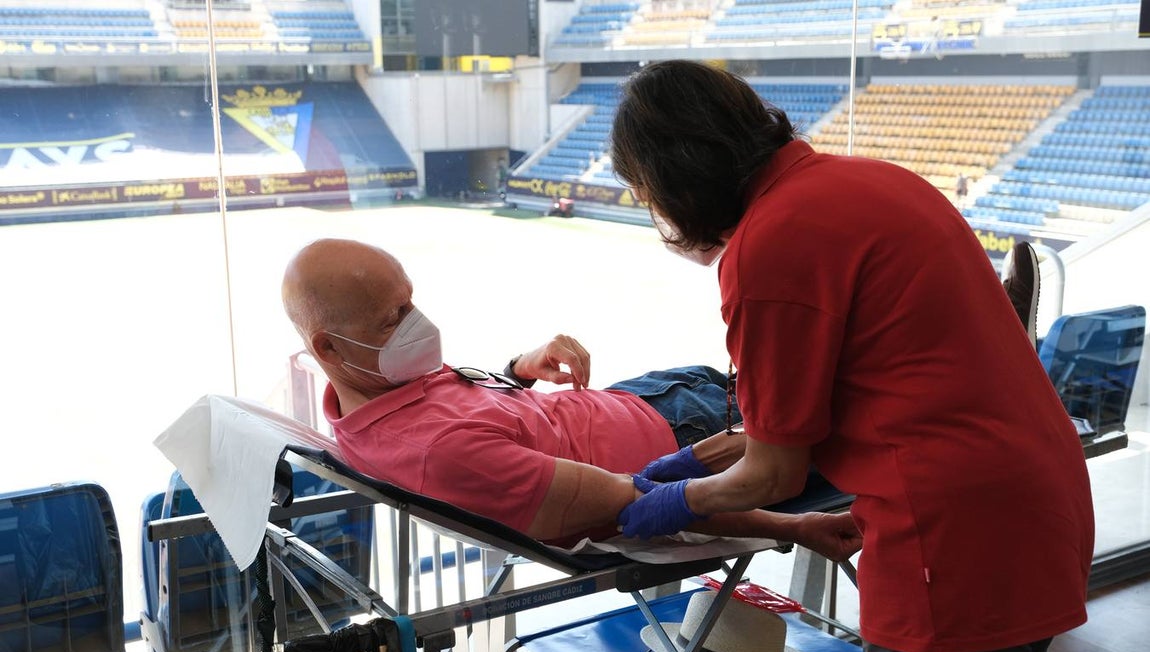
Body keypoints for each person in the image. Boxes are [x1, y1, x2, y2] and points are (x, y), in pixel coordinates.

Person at [608, 60, 1093, 652]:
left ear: (675, 177)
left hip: (956, 546)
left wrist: (669, 502)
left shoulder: (771, 244)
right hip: (1038, 514)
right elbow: (860, 394)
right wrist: (702, 464)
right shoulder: (870, 181)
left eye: (643, 192)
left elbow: (772, 469)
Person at [280, 237, 861, 556]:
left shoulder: (372, 387)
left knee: (830, 369)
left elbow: (471, 413)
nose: (419, 324)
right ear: (329, 349)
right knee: (866, 404)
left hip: (648, 396)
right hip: (691, 437)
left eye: (411, 302)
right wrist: (792, 528)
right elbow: (650, 499)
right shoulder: (439, 455)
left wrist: (517, 370)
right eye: (394, 316)